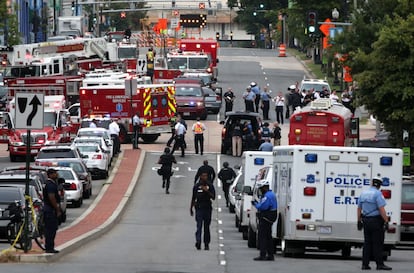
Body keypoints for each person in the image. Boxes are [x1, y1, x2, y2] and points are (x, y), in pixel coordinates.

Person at [357, 178, 392, 270]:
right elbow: (381, 209)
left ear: (372, 184)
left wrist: (358, 220)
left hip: (366, 220)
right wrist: (386, 221)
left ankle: (365, 264)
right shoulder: (377, 194)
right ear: (379, 185)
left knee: (367, 243)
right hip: (376, 221)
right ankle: (379, 264)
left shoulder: (363, 193)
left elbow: (359, 208)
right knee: (377, 243)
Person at [252, 180, 278, 261]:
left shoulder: (267, 196)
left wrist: (255, 204)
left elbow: (262, 207)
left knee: (262, 237)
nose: (260, 190)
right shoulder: (271, 194)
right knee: (268, 237)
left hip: (266, 218)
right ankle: (270, 255)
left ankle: (262, 255)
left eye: (261, 188)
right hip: (270, 218)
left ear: (264, 188)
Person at [190, 171, 216, 250]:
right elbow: (193, 198)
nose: (205, 177)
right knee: (199, 226)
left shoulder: (210, 185)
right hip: (199, 208)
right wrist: (191, 208)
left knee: (206, 227)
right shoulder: (196, 186)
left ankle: (206, 244)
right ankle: (198, 241)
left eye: (206, 176)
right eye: (203, 176)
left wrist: (207, 191)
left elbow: (213, 197)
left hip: (207, 208)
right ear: (200, 177)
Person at [43, 168, 62, 253]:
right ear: (50, 175)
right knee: (50, 229)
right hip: (50, 210)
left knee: (52, 229)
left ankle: (50, 247)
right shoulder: (50, 185)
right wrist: (57, 209)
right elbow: (51, 197)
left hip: (50, 209)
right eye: (55, 173)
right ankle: (49, 248)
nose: (56, 175)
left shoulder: (53, 184)